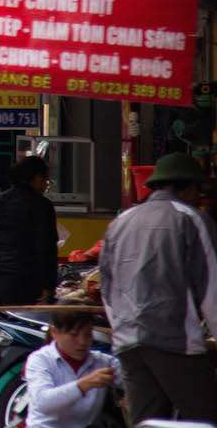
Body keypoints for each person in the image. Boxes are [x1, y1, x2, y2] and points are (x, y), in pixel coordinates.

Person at [100, 151, 217, 423]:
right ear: (187, 187)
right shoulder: (192, 219)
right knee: (203, 419)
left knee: (148, 420)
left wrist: (120, 328)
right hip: (174, 340)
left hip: (128, 341)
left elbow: (107, 288)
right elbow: (212, 284)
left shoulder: (120, 222)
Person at [0, 155, 59, 306]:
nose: (46, 185)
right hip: (19, 280)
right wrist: (49, 286)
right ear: (37, 178)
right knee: (19, 327)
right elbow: (46, 248)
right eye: (46, 180)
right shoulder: (41, 205)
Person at [24, 300, 121, 428]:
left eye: (87, 334)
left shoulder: (104, 362)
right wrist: (83, 385)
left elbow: (133, 380)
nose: (82, 342)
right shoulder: (39, 360)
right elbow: (42, 402)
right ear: (55, 333)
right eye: (74, 335)